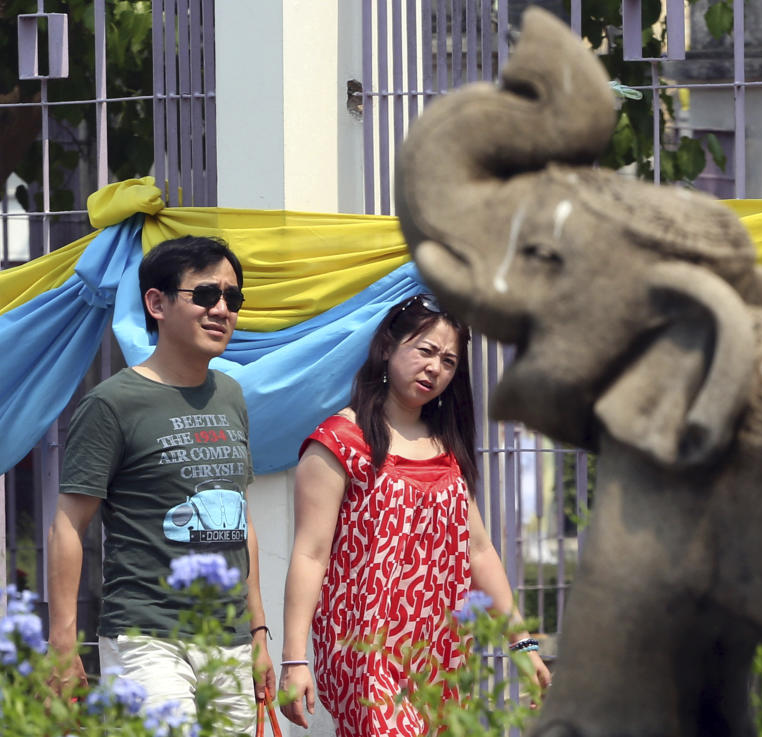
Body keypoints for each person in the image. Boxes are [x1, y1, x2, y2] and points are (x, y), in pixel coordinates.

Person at [278, 293, 551, 737]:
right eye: (425, 351)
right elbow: (310, 554)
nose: (435, 368)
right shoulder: (339, 441)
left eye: (448, 361)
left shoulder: (447, 448)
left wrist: (522, 643)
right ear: (388, 347)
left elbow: (479, 550)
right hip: (365, 652)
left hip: (443, 654)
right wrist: (295, 659)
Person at [46, 235, 275, 735]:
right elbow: (69, 523)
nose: (222, 310)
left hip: (229, 638)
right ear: (156, 303)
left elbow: (242, 520)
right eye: (205, 295)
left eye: (232, 299)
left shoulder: (231, 395)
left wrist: (258, 632)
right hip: (146, 634)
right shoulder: (113, 404)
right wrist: (63, 643)